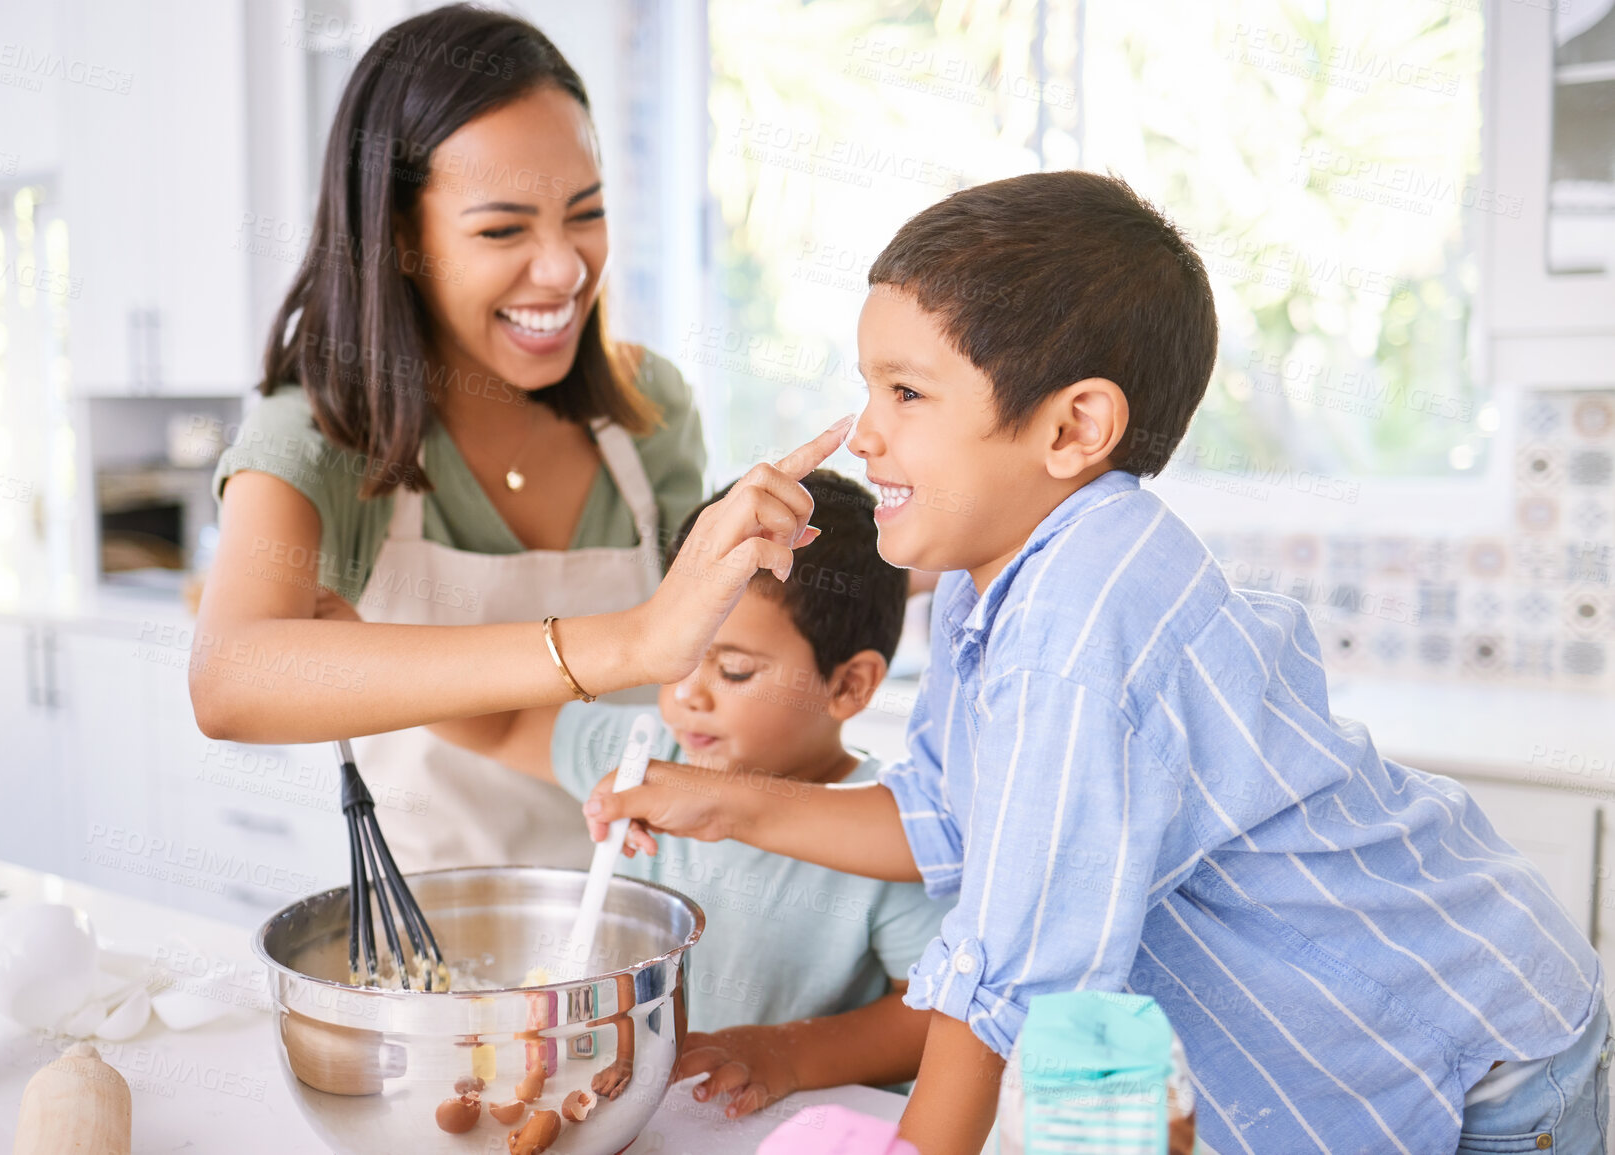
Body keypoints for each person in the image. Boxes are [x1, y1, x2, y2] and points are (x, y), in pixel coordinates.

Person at [582, 172, 1609, 1155]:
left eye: (905, 393)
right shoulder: (995, 585)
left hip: (1485, 1056)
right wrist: (720, 804)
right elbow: (947, 818)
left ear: (1073, 427)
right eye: (868, 391)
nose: (864, 438)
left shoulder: (1080, 631)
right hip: (1405, 1034)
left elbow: (1011, 979)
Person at [195, 4, 715, 871]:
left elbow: (700, 695)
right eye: (502, 229)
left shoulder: (648, 405)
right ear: (400, 237)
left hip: (647, 931)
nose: (563, 267)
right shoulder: (321, 431)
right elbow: (228, 681)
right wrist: (625, 641)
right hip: (436, 970)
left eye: (584, 213)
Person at [434, 471, 947, 1119]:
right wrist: (364, 646)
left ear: (849, 685)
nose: (685, 694)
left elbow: (935, 1015)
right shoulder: (643, 759)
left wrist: (785, 1053)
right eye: (677, 656)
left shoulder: (890, 833)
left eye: (732, 669)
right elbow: (496, 721)